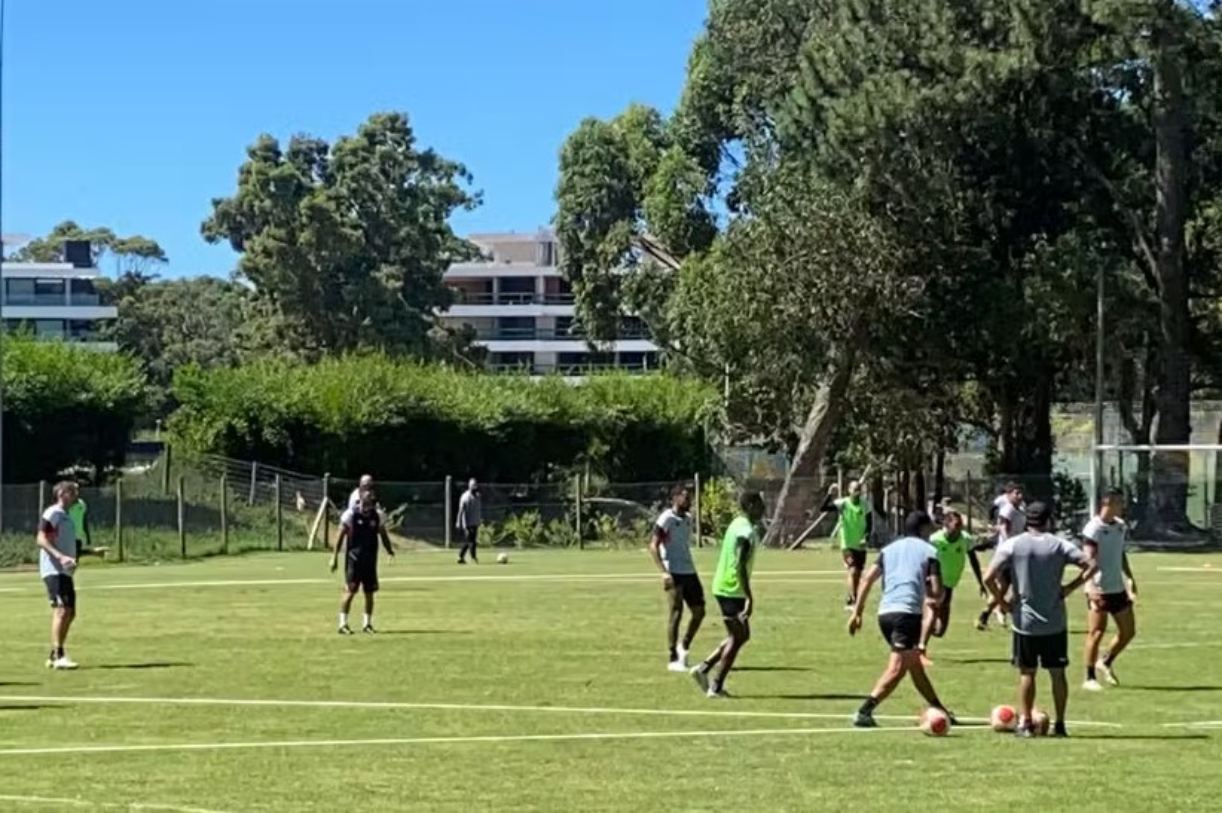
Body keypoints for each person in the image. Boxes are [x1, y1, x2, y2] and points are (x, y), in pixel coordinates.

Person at [983, 501, 1095, 738]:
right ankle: (1061, 724)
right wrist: (1069, 588)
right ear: (1049, 520)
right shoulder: (1060, 545)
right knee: (1057, 674)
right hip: (1054, 621)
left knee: (1027, 674)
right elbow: (1092, 564)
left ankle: (1025, 723)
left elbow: (988, 577)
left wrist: (1003, 605)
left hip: (1025, 623)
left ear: (1026, 520)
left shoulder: (1013, 545)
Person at [849, 511, 954, 728]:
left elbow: (867, 579)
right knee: (897, 668)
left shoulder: (888, 550)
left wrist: (857, 612)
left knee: (914, 665)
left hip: (885, 614)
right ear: (923, 529)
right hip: (907, 615)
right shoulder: (930, 551)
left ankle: (940, 709)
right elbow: (937, 590)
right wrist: (937, 599)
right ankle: (865, 710)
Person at [690, 492, 765, 698]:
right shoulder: (745, 531)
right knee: (738, 636)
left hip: (727, 587)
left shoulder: (737, 523)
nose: (763, 508)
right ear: (750, 505)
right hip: (731, 589)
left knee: (739, 635)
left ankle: (704, 669)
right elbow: (740, 564)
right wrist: (750, 597)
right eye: (759, 504)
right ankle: (715, 686)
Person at [1081, 488, 1138, 692]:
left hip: (1117, 588)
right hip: (1099, 589)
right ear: (1108, 504)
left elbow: (1120, 553)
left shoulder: (1121, 526)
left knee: (1128, 631)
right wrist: (1090, 587)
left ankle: (1105, 661)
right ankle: (1089, 677)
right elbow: (1087, 560)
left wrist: (1129, 578)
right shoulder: (1093, 528)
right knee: (1096, 632)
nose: (1123, 507)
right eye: (1120, 502)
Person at [648, 483, 705, 672]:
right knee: (676, 612)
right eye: (686, 497)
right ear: (675, 498)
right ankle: (673, 657)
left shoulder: (688, 519)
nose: (689, 500)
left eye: (690, 497)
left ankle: (684, 646)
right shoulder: (666, 519)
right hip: (673, 571)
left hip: (689, 570)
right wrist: (664, 572)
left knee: (699, 611)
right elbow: (653, 546)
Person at [917, 509, 984, 661]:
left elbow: (973, 560)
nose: (959, 529)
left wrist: (980, 582)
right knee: (933, 613)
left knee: (940, 631)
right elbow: (922, 559)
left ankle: (919, 627)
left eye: (960, 526)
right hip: (933, 581)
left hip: (950, 585)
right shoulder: (935, 540)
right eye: (956, 526)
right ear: (946, 526)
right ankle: (921, 650)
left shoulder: (965, 539)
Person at [331, 489, 395, 634]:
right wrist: (334, 557)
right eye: (366, 502)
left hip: (370, 560)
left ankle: (367, 624)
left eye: (371, 503)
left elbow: (383, 534)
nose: (368, 506)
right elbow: (340, 535)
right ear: (360, 500)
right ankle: (343, 624)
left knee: (369, 593)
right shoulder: (351, 515)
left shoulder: (377, 516)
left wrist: (389, 550)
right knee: (350, 591)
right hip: (354, 560)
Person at [37, 482, 82, 669]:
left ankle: (54, 653)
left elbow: (65, 545)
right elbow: (41, 538)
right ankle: (59, 655)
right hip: (53, 571)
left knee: (70, 613)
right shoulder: (53, 513)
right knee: (62, 611)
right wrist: (60, 557)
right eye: (73, 492)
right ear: (62, 493)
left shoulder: (67, 518)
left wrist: (92, 552)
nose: (77, 495)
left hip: (65, 572)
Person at [977, 482, 1026, 630]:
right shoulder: (1008, 509)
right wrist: (1009, 545)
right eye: (1016, 493)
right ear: (1009, 494)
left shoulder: (1021, 509)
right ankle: (1005, 611)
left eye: (1020, 493)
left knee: (1007, 587)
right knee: (1010, 586)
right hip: (1007, 554)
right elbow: (1004, 529)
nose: (1019, 496)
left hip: (1017, 552)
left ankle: (990, 613)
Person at [821, 480, 872, 610]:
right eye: (855, 489)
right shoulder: (843, 503)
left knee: (858, 573)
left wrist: (866, 537)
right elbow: (824, 508)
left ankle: (852, 597)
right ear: (849, 490)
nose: (857, 492)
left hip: (860, 545)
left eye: (859, 489)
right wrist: (829, 495)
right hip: (847, 544)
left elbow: (869, 524)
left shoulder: (865, 505)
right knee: (853, 570)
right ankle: (852, 599)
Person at [456, 478, 482, 565]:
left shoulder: (478, 496)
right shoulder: (465, 497)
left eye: (475, 486)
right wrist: (459, 522)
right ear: (469, 486)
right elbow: (461, 511)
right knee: (472, 541)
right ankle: (473, 558)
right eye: (473, 486)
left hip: (475, 522)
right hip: (467, 523)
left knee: (468, 541)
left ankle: (460, 556)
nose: (475, 488)